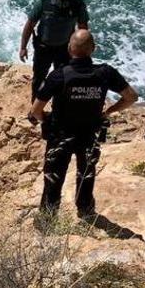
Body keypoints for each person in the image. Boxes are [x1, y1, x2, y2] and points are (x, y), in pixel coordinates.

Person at [29, 30, 138, 220]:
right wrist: (108, 111)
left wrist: (46, 120)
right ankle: (85, 210)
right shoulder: (105, 72)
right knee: (86, 173)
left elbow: (36, 110)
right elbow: (131, 97)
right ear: (93, 49)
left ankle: (47, 218)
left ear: (70, 48)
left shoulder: (59, 75)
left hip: (61, 134)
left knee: (54, 178)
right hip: (90, 132)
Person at [19, 0, 90, 101]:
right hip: (43, 48)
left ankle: (57, 108)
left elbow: (83, 29)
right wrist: (23, 47)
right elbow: (29, 25)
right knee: (38, 79)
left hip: (64, 49)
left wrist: (82, 52)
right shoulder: (44, 2)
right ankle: (35, 107)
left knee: (63, 79)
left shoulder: (77, 4)